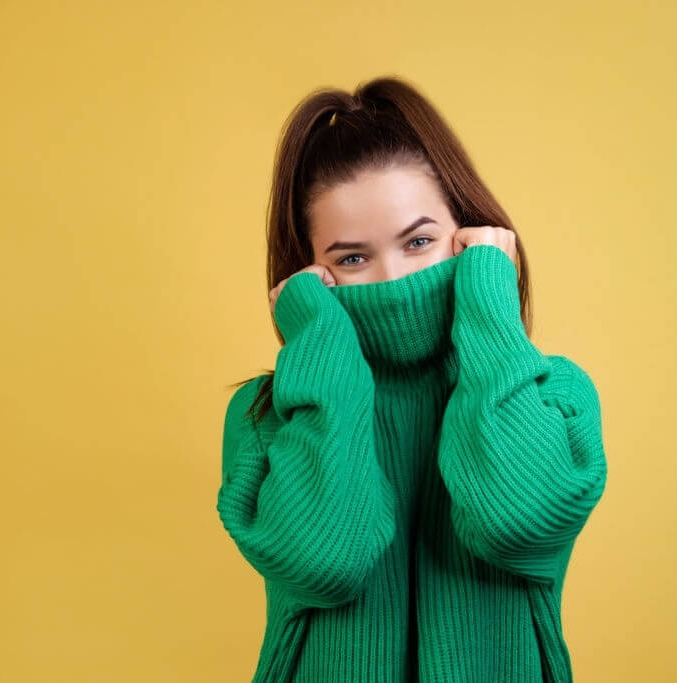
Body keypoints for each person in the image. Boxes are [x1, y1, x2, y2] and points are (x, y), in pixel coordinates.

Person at [216, 75, 608, 683]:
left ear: (469, 236)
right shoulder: (265, 420)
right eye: (351, 258)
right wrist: (317, 343)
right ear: (307, 276)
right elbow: (327, 563)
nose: (391, 279)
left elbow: (515, 524)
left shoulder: (554, 397)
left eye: (419, 241)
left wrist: (490, 308)